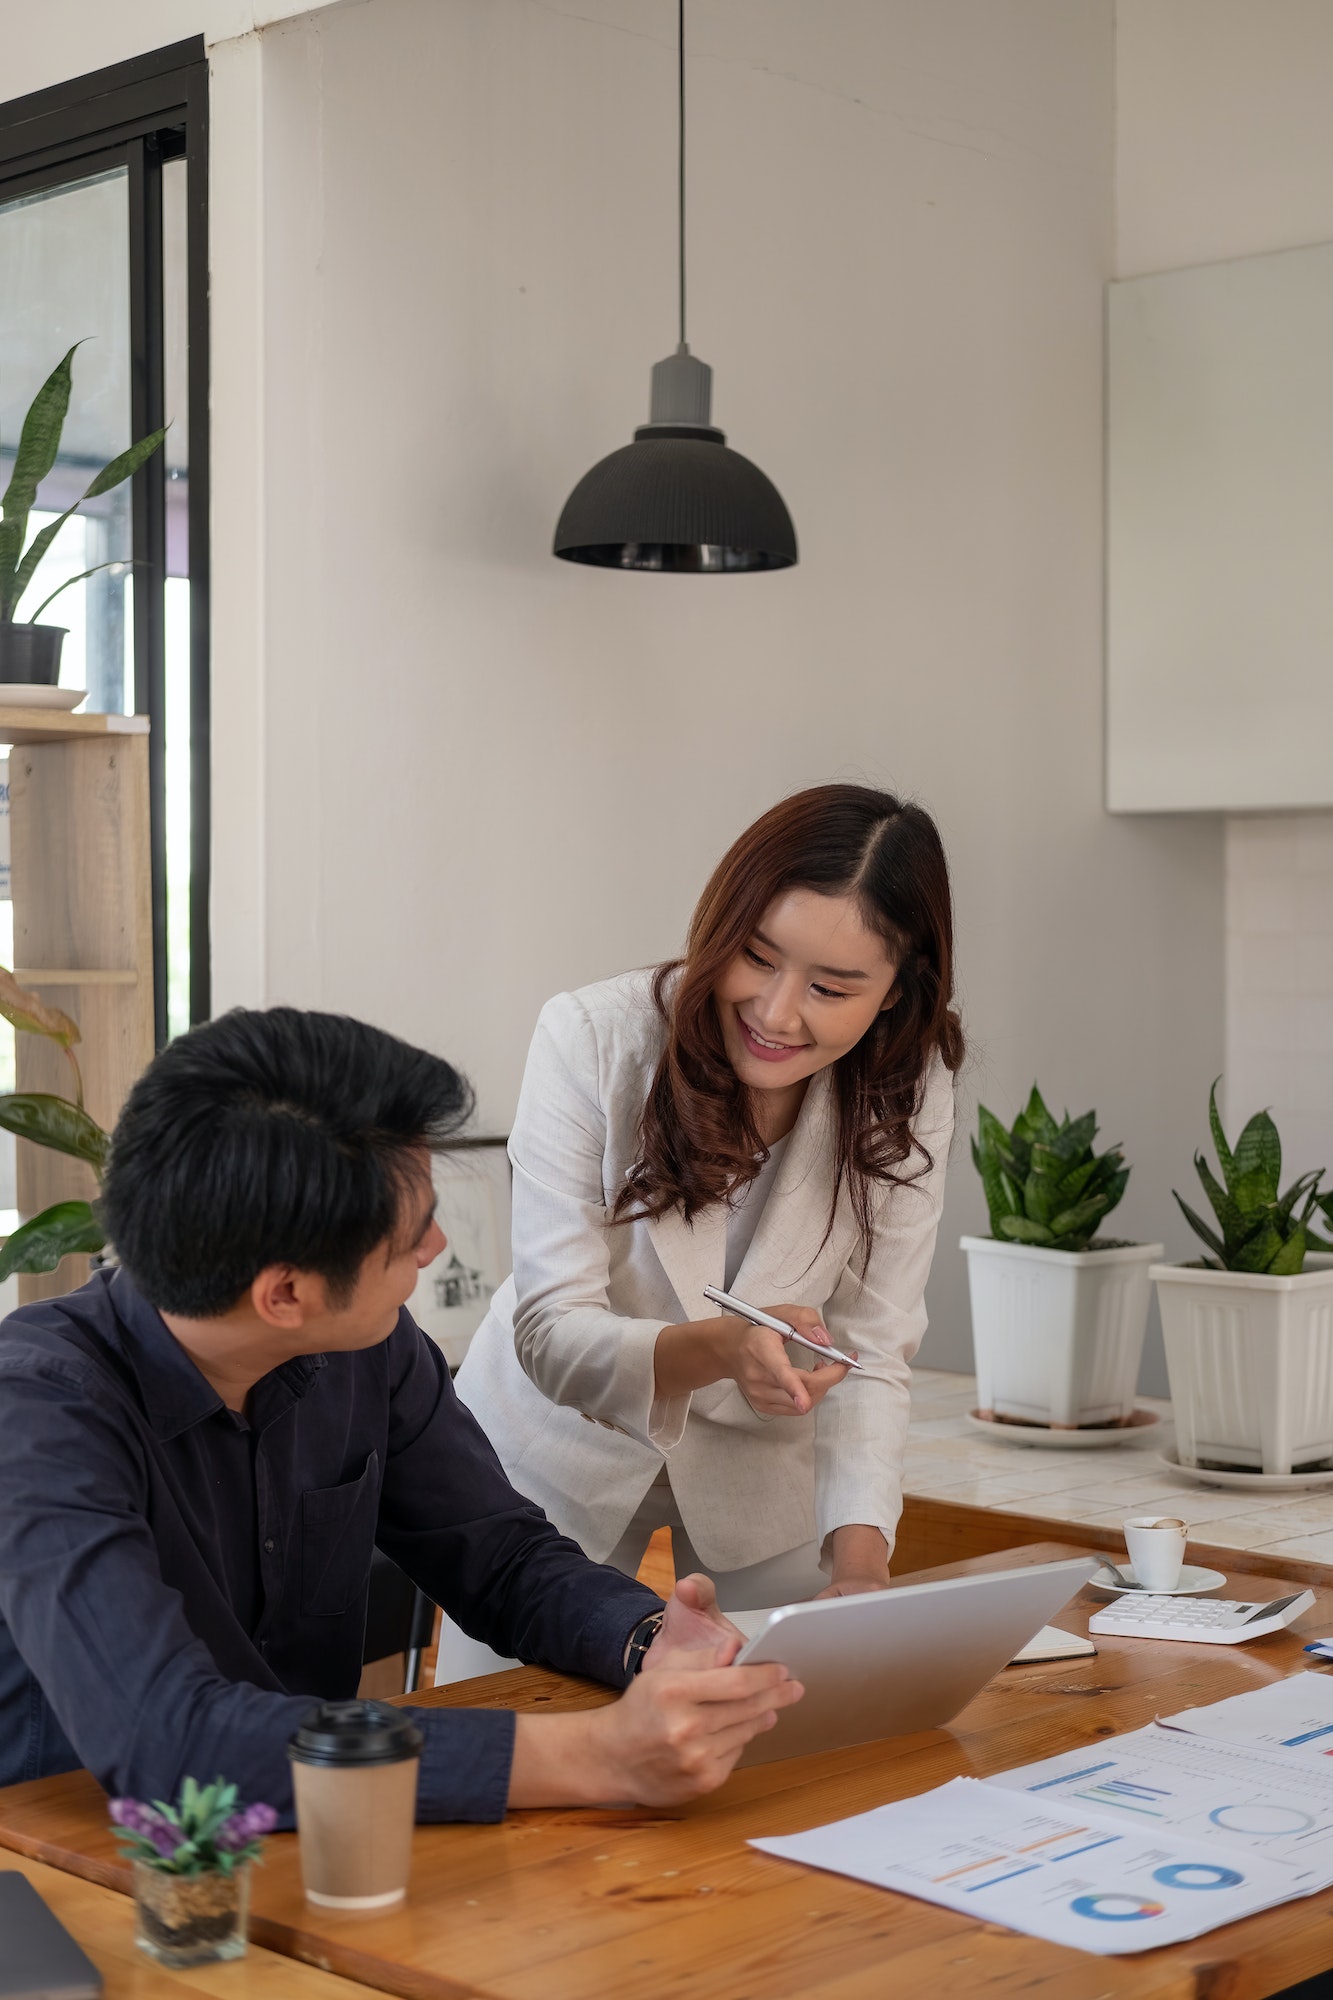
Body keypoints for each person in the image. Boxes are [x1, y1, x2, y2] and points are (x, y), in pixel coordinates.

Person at [0, 1009, 801, 1822]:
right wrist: (598, 1755)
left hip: (330, 1836)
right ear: (285, 1294)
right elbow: (169, 1740)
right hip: (80, 1866)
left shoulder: (364, 1347)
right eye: (412, 1235)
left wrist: (647, 1636)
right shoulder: (36, 1411)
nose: (438, 1245)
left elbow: (497, 1555)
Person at [457, 784, 964, 1616]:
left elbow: (872, 1348)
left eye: (832, 989)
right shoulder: (594, 1038)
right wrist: (723, 1348)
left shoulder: (908, 1084)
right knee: (517, 1726)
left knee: (791, 1730)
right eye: (757, 957)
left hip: (759, 1473)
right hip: (556, 1448)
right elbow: (550, 1330)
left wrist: (863, 1564)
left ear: (897, 995)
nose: (774, 1013)